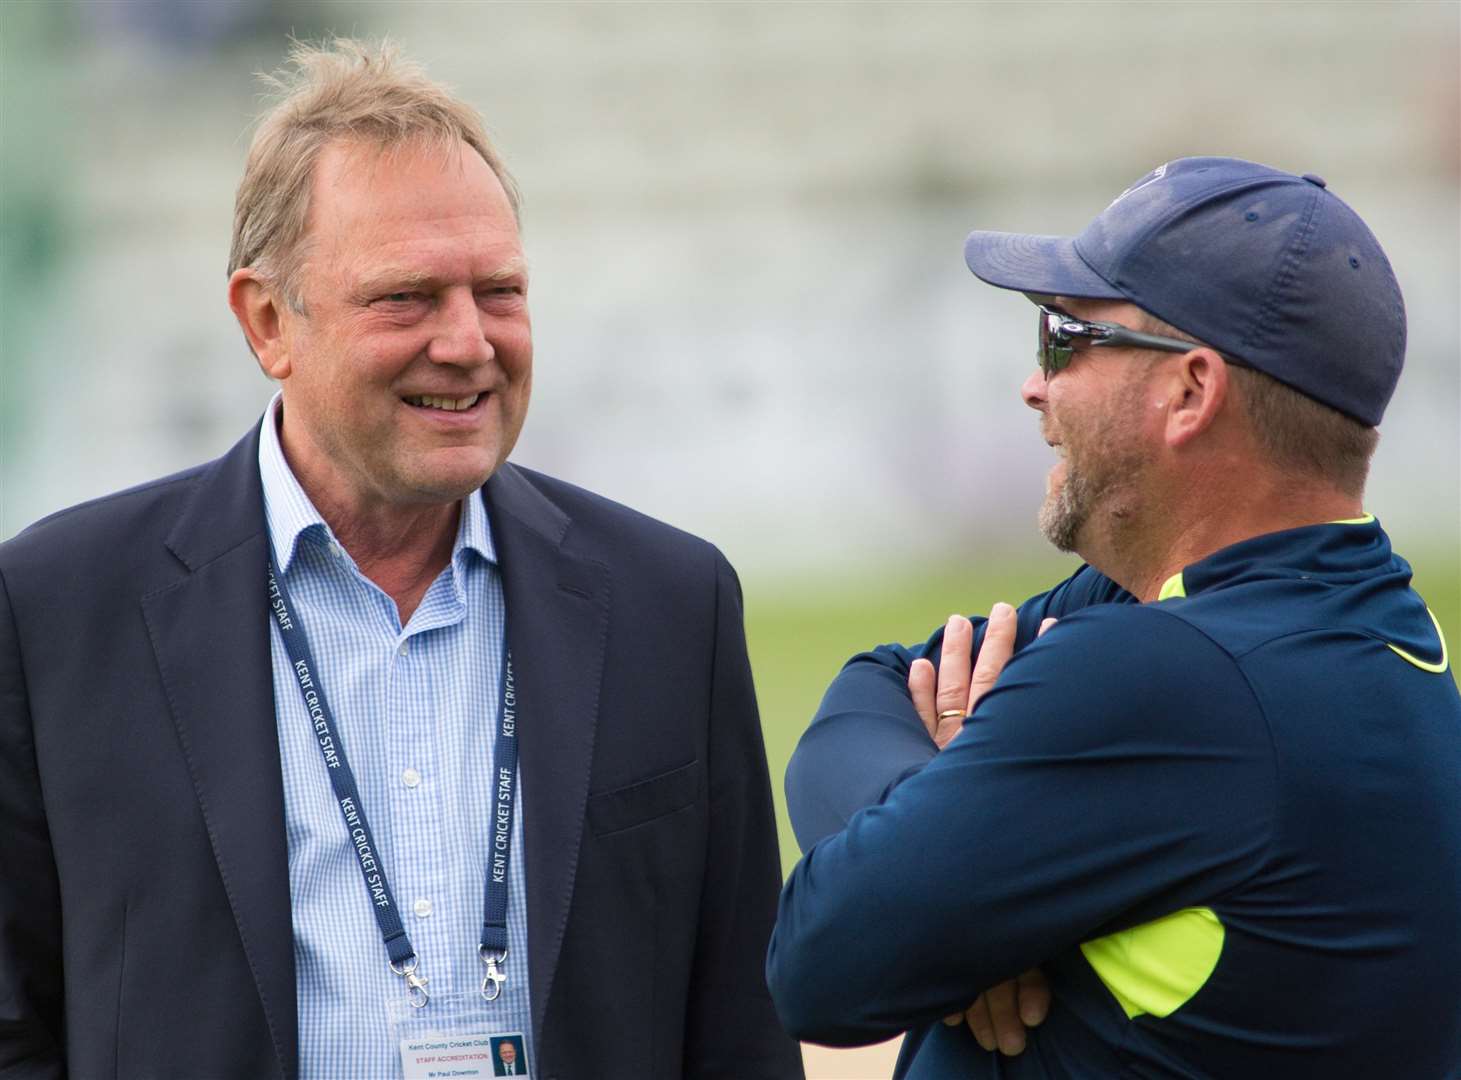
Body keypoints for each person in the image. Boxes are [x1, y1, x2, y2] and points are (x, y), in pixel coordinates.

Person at [0, 39, 802, 1080]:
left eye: (499, 291)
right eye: (407, 298)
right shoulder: (59, 611)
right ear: (268, 322)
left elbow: (739, 1024)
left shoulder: (670, 605)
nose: (469, 341)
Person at [766, 157, 1461, 1077]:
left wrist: (947, 891)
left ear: (1189, 392)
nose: (1033, 384)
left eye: (1065, 336)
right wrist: (956, 880)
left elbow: (822, 962)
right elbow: (878, 683)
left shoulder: (1168, 676)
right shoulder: (1344, 618)